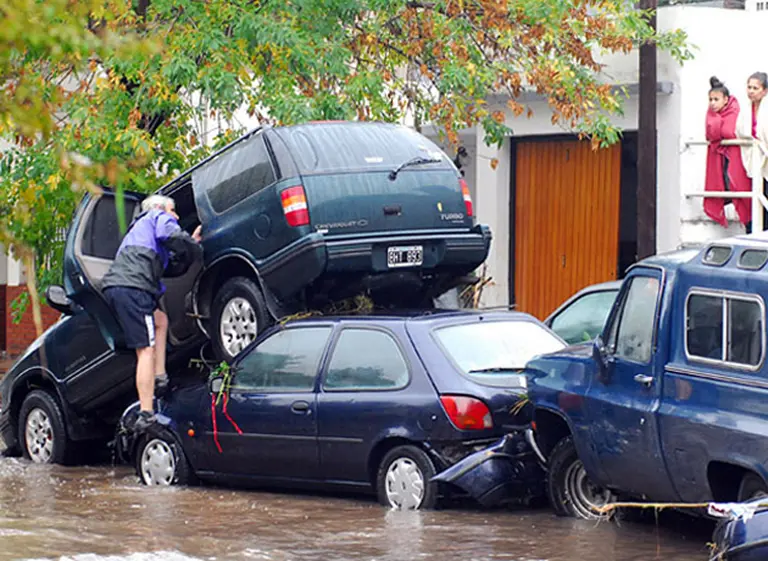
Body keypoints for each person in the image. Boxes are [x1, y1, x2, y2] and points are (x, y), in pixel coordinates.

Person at [101, 194, 203, 431]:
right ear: (160, 208)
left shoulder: (139, 232)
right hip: (134, 288)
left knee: (161, 320)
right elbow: (173, 235)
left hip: (124, 287)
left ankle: (160, 377)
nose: (176, 216)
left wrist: (191, 244)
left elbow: (173, 267)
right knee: (145, 349)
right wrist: (191, 245)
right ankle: (146, 413)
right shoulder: (156, 216)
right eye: (173, 210)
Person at [704, 76, 751, 230]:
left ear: (726, 100)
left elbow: (728, 132)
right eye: (710, 100)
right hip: (720, 162)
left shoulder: (734, 112)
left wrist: (717, 122)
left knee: (743, 194)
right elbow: (712, 134)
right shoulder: (711, 115)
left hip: (736, 162)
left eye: (716, 99)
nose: (712, 104)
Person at [737, 71, 768, 231]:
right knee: (753, 201)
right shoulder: (746, 109)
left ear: (764, 91)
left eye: (755, 88)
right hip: (752, 160)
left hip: (765, 159)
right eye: (749, 87)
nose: (751, 91)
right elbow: (740, 131)